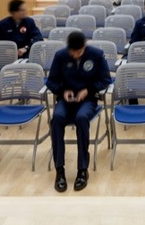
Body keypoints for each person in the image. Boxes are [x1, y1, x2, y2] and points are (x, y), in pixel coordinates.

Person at [46, 30, 110, 192]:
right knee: (57, 119)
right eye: (72, 52)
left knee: (82, 119)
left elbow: (105, 79)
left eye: (79, 52)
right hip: (66, 99)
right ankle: (59, 170)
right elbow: (51, 81)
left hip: (87, 99)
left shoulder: (96, 55)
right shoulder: (60, 56)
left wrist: (88, 90)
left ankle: (82, 170)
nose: (75, 55)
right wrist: (62, 91)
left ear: (84, 47)